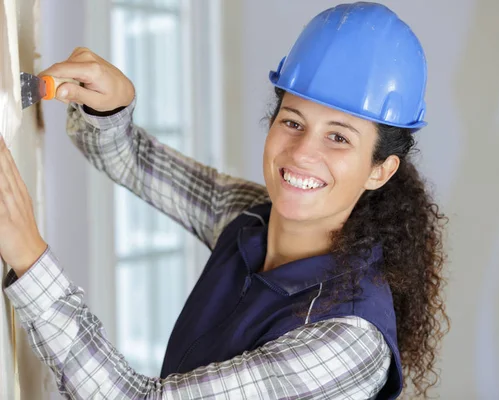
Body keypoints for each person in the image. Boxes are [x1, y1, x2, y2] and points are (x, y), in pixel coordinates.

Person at [0, 2, 448, 399]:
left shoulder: (347, 342)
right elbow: (135, 163)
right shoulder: (252, 218)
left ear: (380, 170)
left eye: (338, 137)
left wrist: (29, 258)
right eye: (293, 122)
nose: (302, 153)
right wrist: (111, 106)